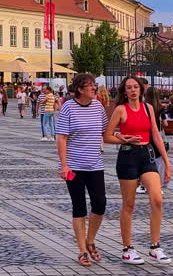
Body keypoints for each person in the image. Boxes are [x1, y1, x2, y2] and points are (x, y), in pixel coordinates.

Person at [103, 76, 172, 264]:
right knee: (129, 203)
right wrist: (123, 139)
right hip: (128, 157)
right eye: (129, 88)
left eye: (135, 87)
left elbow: (156, 136)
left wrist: (166, 162)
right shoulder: (120, 110)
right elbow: (107, 136)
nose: (133, 90)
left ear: (141, 90)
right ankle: (127, 249)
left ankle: (155, 246)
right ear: (124, 92)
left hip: (147, 155)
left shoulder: (148, 108)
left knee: (157, 198)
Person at [57, 73, 108, 267]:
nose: (94, 88)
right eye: (90, 86)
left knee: (100, 204)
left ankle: (90, 240)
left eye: (94, 85)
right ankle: (82, 250)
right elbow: (61, 138)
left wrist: (123, 138)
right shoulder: (68, 107)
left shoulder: (98, 106)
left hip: (95, 164)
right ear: (80, 89)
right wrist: (64, 165)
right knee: (79, 206)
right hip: (74, 166)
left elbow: (106, 131)